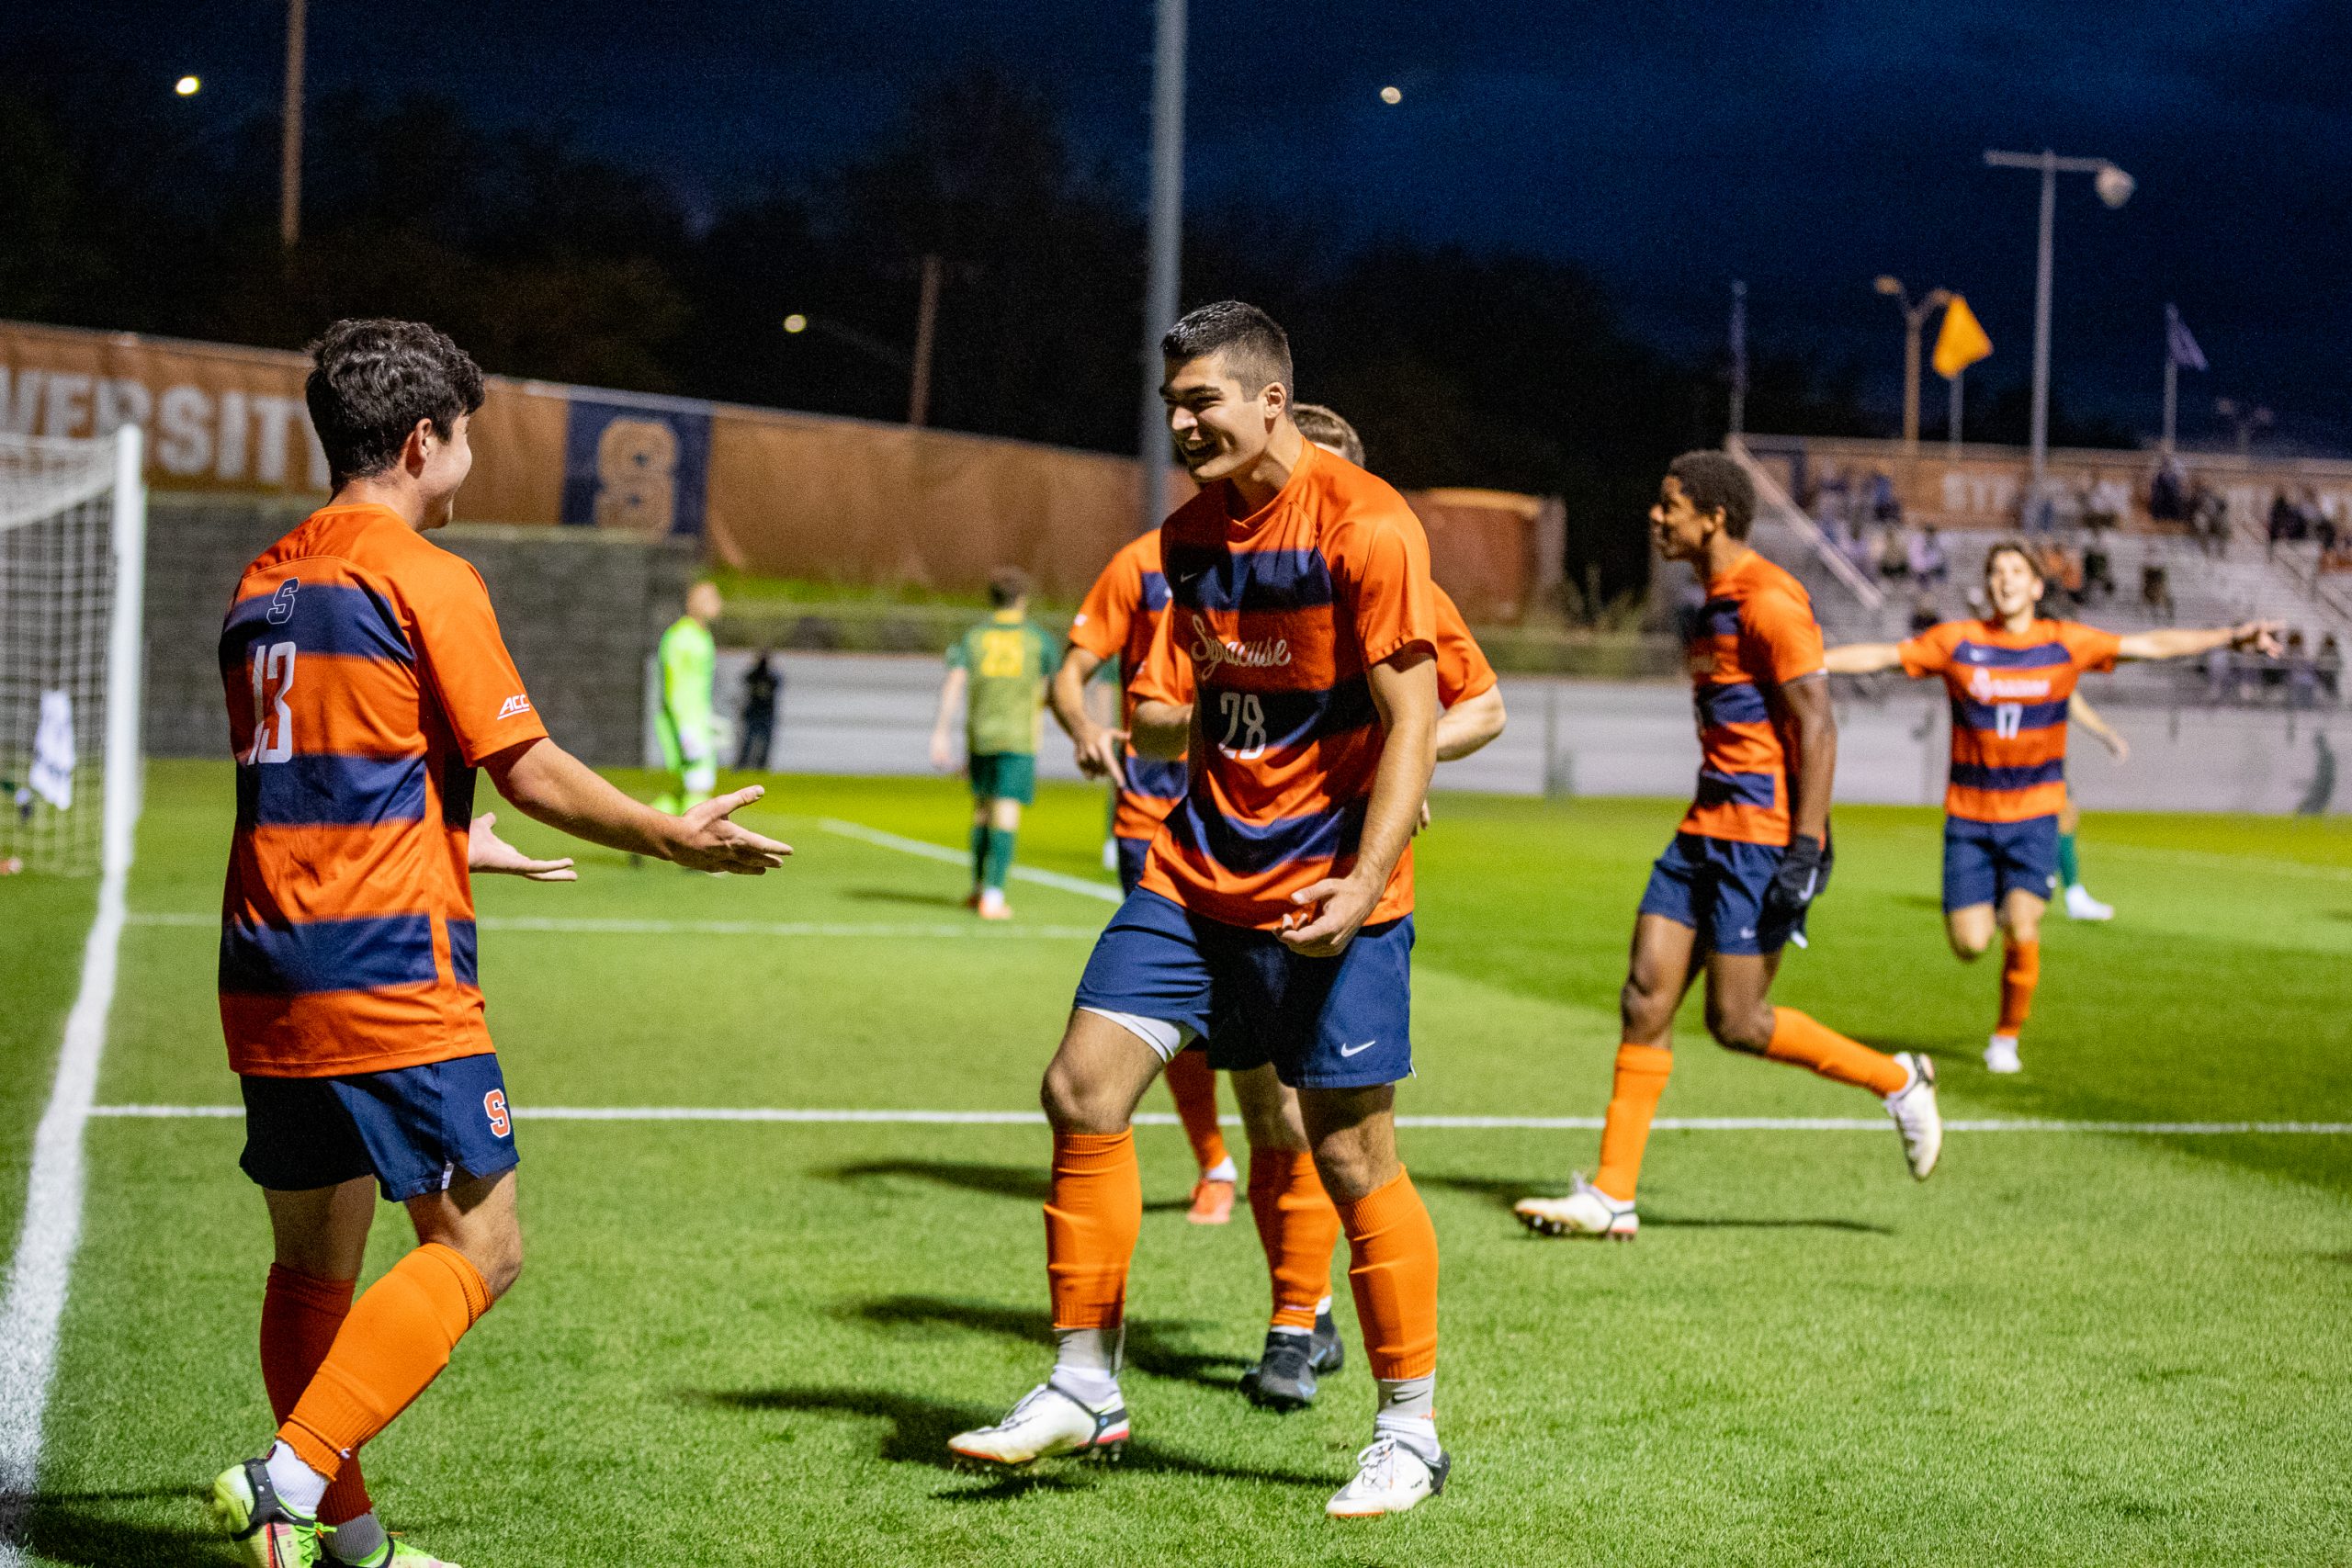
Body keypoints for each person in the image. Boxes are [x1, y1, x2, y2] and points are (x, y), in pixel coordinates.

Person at [208, 319, 789, 1568]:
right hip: (382, 969)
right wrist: (666, 834)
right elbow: (526, 765)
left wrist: (450, 841)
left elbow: (322, 772)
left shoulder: (263, 577)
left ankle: (348, 1539)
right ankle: (290, 1474)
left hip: (264, 959)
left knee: (313, 1256)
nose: (470, 463)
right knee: (480, 1243)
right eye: (466, 439)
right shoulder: (423, 574)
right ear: (423, 440)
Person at [947, 301, 1453, 1518]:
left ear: (1271, 399)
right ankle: (1082, 1382)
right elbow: (1179, 704)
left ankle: (1410, 1428)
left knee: (1346, 1149)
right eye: (1171, 403)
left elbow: (1420, 720)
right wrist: (1116, 719)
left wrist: (1366, 869)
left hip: (1334, 890)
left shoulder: (1370, 526)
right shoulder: (1181, 544)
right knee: (1081, 1086)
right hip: (1191, 874)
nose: (1179, 423)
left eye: (1201, 401)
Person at [1514, 454, 1943, 1244]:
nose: (1656, 515)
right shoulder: (1704, 601)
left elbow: (1816, 725)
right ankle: (1613, 1193)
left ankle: (1898, 1078)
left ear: (1712, 517)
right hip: (1701, 828)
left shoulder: (1770, 599)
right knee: (1645, 995)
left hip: (1763, 838)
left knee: (1738, 1021)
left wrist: (1806, 849)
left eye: (1670, 504)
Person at [1825, 541, 2278, 1074]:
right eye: (1996, 570)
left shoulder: (2065, 644)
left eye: (2017, 571)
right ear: (1988, 585)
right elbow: (1882, 656)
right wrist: (1809, 661)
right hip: (1970, 818)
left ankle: (2005, 1038)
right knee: (1970, 944)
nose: (2005, 579)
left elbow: (2151, 644)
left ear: (2037, 587)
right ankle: (1997, 903)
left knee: (2023, 925)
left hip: (2035, 816)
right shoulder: (1959, 643)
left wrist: (2229, 637)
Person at [931, 569, 1057, 919]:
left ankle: (976, 889)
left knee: (982, 811)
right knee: (1005, 811)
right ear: (1023, 600)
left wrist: (940, 732)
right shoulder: (1037, 640)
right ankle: (994, 895)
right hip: (1018, 738)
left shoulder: (974, 638)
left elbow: (954, 682)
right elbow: (1050, 690)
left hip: (981, 735)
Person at [2055, 691, 2129, 922]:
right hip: (2016, 756)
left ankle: (2074, 897)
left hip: (2042, 757)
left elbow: (2071, 698)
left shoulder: (2049, 660)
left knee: (2065, 814)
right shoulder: (2040, 661)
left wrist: (2107, 734)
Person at [655, 581, 722, 814]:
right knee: (698, 787)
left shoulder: (702, 636)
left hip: (698, 721)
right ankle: (695, 846)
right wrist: (686, 729)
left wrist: (709, 719)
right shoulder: (680, 637)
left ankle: (637, 835)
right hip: (686, 724)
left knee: (687, 788)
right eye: (711, 598)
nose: (718, 603)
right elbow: (673, 687)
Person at [737, 647, 781, 770]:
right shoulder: (759, 675)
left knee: (760, 740)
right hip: (756, 712)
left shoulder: (769, 676)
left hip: (763, 712)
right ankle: (745, 763)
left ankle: (758, 764)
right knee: (750, 739)